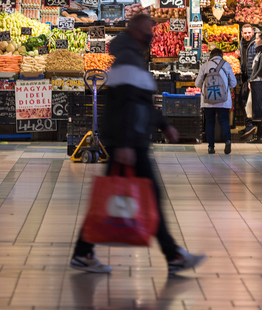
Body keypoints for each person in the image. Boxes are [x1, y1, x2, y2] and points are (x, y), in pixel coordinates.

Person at [70, 14, 207, 274]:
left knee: (120, 196)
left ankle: (84, 251)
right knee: (148, 197)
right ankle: (173, 255)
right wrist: (123, 144)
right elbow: (124, 104)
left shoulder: (132, 57)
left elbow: (141, 100)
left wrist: (164, 125)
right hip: (129, 142)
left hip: (132, 139)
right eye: (147, 33)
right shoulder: (129, 60)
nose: (151, 37)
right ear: (135, 33)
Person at [196, 48, 237, 154]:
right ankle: (227, 141)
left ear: (211, 55)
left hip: (208, 100)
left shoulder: (205, 65)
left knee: (210, 122)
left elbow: (197, 84)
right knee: (224, 121)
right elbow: (234, 83)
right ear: (221, 55)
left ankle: (210, 147)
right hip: (223, 100)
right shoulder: (226, 65)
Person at [247, 31, 262, 144]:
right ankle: (258, 135)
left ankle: (259, 136)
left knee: (260, 110)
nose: (255, 40)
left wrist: (252, 80)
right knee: (255, 109)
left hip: (261, 83)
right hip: (257, 82)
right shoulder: (261, 52)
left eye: (257, 38)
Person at [237, 24, 260, 136]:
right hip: (245, 77)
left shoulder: (255, 43)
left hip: (252, 78)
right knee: (244, 101)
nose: (247, 35)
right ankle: (249, 125)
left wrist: (253, 79)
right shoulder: (242, 42)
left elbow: (256, 63)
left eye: (249, 33)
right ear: (242, 33)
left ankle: (250, 126)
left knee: (247, 101)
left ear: (252, 32)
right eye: (245, 33)